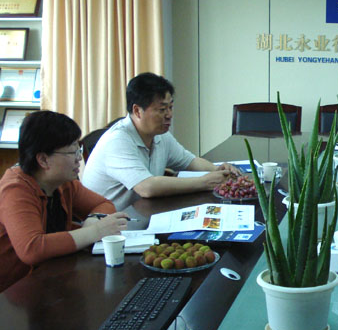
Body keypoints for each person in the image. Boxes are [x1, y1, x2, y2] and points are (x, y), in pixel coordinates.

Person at [0, 111, 128, 292]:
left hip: (52, 277)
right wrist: (94, 231)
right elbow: (32, 249)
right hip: (14, 292)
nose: (79, 158)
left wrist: (93, 220)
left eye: (79, 150)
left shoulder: (63, 182)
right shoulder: (15, 189)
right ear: (43, 160)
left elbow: (104, 205)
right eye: (72, 152)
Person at [83, 73, 236, 210]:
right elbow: (147, 187)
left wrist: (217, 170)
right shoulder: (117, 141)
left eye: (171, 107)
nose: (169, 115)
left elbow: (189, 161)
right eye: (162, 110)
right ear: (137, 111)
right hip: (109, 224)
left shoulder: (160, 135)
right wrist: (205, 182)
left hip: (140, 213)